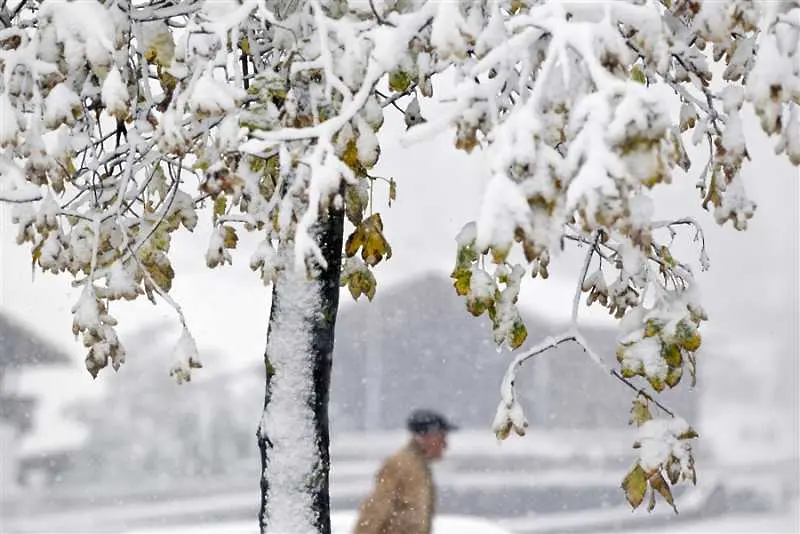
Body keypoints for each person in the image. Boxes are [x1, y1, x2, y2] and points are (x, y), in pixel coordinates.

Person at [353, 409, 458, 534]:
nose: (445, 445)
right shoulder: (401, 465)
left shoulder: (420, 468)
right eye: (442, 437)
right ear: (426, 437)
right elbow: (375, 511)